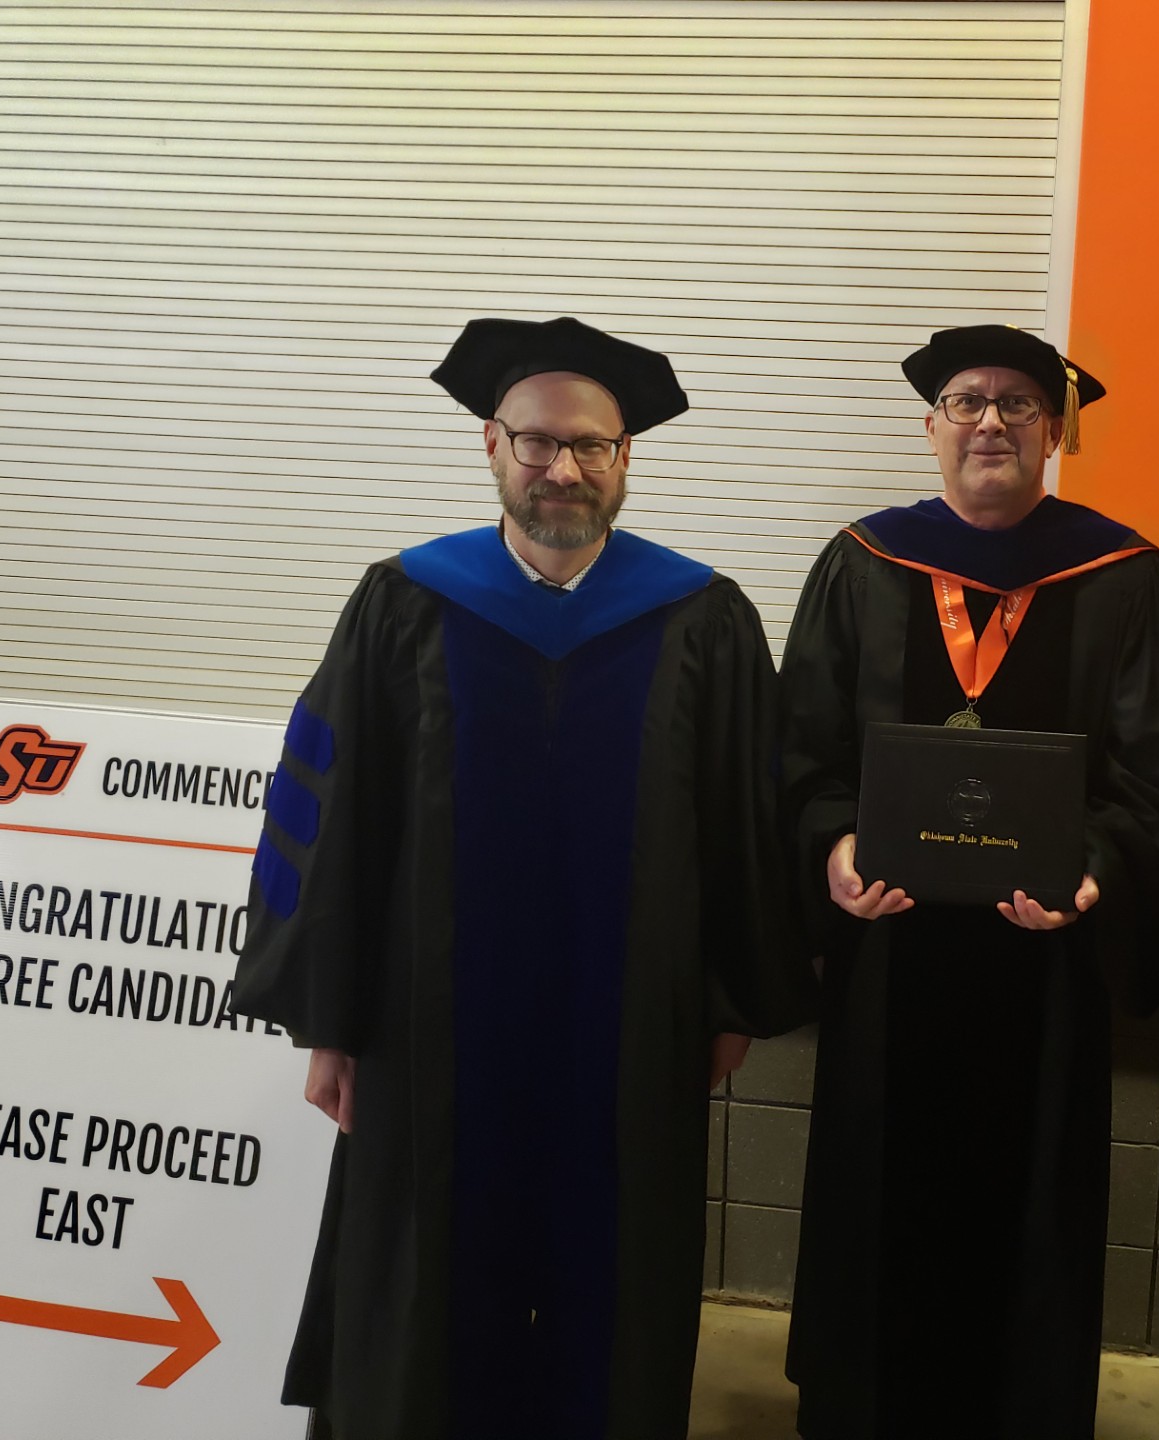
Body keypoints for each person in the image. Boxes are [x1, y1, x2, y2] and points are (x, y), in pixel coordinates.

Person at [231, 316, 812, 1440]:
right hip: (427, 1024)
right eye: (539, 441)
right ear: (492, 444)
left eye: (592, 445)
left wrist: (734, 1001)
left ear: (627, 458)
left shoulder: (702, 617)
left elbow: (749, 817)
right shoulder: (405, 602)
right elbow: (327, 814)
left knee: (618, 1260)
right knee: (425, 1271)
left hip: (633, 1027)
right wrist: (329, 1022)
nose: (565, 467)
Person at [779, 324, 1159, 1439]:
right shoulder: (864, 563)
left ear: (1055, 431)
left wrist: (1096, 873)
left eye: (1019, 403)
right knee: (880, 1206)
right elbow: (801, 754)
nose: (992, 421)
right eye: (967, 401)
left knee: (1030, 1216)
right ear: (931, 428)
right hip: (889, 959)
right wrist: (833, 851)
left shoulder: (1124, 574)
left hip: (1044, 972)